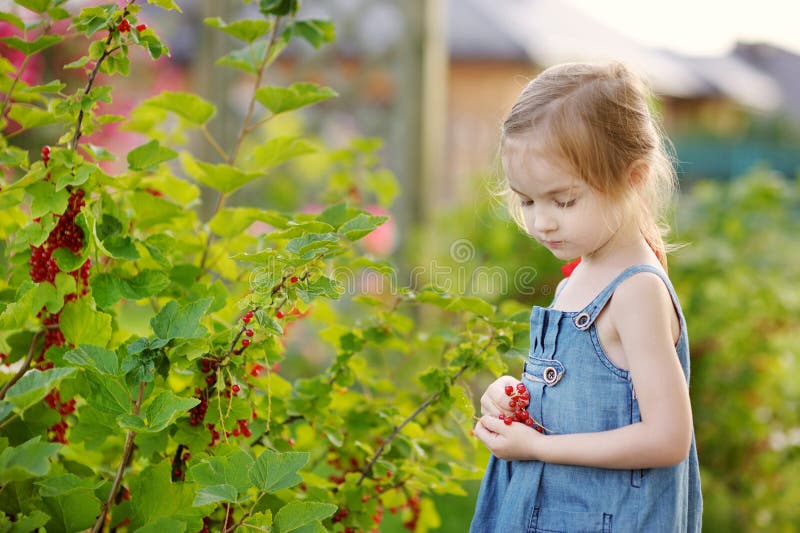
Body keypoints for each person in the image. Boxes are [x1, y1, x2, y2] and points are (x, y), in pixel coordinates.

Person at [470, 62, 702, 532]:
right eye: (528, 201)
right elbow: (574, 397)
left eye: (564, 200)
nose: (542, 222)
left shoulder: (636, 291)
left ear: (633, 178)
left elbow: (667, 438)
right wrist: (513, 398)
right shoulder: (576, 279)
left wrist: (536, 448)